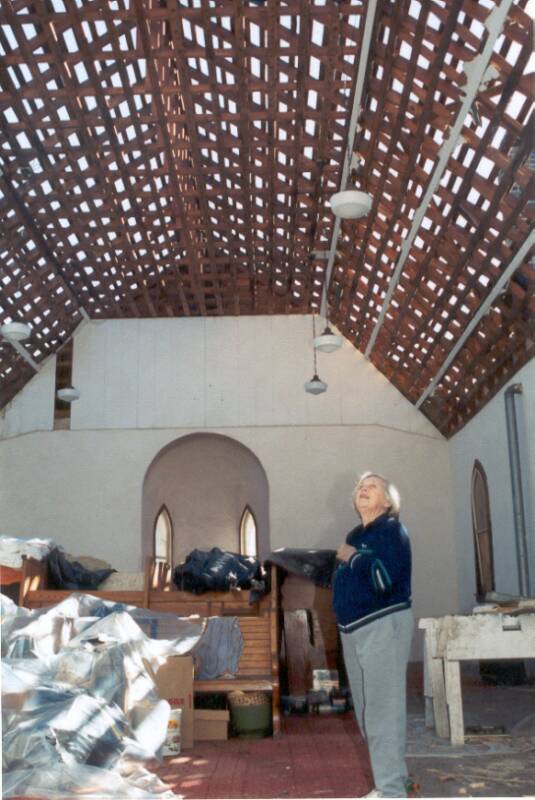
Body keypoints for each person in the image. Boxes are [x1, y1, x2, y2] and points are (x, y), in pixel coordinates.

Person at [332, 472, 413, 798]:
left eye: (372, 486)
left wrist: (351, 558)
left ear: (388, 501)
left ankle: (391, 791)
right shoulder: (355, 534)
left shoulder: (392, 530)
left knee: (382, 712)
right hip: (354, 630)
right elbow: (352, 580)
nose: (363, 489)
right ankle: (395, 781)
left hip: (383, 625)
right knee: (368, 712)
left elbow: (383, 581)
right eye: (360, 487)